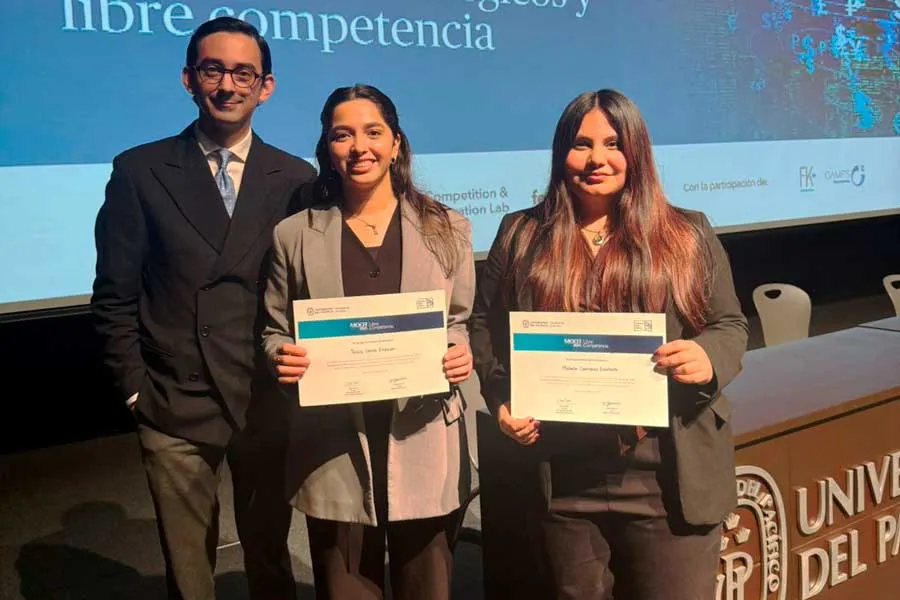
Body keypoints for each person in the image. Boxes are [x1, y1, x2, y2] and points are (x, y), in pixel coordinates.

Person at [470, 89, 748, 599]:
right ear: (562, 153)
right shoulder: (521, 233)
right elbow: (485, 327)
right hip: (561, 473)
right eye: (581, 144)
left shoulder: (687, 231)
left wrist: (706, 356)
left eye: (612, 143)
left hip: (665, 471)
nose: (596, 158)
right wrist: (502, 397)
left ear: (636, 150)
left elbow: (729, 324)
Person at [90, 16, 316, 600]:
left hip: (265, 395)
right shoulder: (139, 171)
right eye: (213, 70)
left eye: (244, 73)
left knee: (271, 556)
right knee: (189, 573)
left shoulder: (297, 178)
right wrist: (136, 391)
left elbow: (307, 290)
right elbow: (115, 295)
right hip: (174, 398)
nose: (228, 85)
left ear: (266, 87)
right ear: (189, 79)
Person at [260, 83, 475, 600]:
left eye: (373, 132)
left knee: (428, 588)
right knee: (347, 589)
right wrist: (280, 357)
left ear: (396, 143)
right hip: (333, 444)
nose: (360, 147)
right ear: (328, 148)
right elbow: (273, 330)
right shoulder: (294, 234)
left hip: (423, 433)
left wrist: (457, 349)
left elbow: (461, 319)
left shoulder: (448, 227)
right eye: (343, 135)